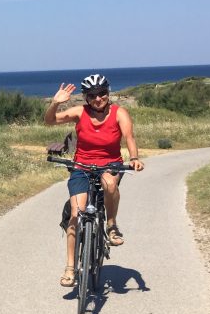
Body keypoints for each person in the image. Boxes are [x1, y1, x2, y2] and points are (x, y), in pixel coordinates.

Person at [44, 73, 144, 287]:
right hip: (82, 166)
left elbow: (129, 137)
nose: (98, 98)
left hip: (111, 164)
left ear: (108, 93)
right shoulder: (80, 112)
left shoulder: (119, 113)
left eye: (102, 93)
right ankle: (70, 268)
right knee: (75, 214)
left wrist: (134, 158)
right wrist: (55, 103)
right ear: (86, 97)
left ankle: (111, 225)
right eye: (92, 95)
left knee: (109, 183)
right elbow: (49, 121)